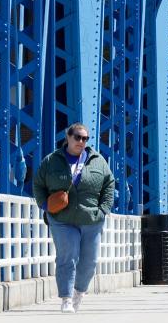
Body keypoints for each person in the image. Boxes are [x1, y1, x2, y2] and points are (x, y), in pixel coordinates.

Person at [33, 123, 115, 313]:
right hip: (62, 218)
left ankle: (79, 292)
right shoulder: (51, 160)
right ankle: (66, 298)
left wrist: (103, 209)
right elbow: (38, 184)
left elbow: (109, 184)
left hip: (91, 218)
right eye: (77, 137)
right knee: (67, 257)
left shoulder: (98, 161)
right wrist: (45, 205)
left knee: (89, 262)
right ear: (67, 137)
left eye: (85, 138)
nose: (81, 141)